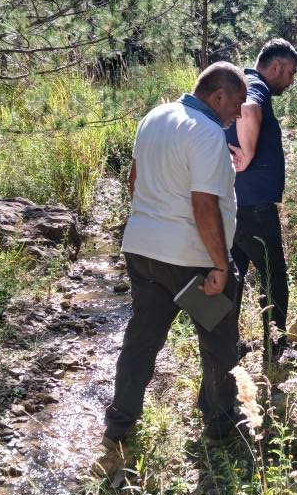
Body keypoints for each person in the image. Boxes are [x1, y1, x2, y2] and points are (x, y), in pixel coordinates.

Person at [100, 62, 248, 469]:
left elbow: (134, 180)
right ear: (218, 95)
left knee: (142, 340)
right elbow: (204, 205)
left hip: (143, 253)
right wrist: (220, 265)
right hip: (191, 264)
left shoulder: (155, 116)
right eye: (237, 103)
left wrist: (152, 221)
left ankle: (119, 426)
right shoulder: (207, 132)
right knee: (218, 341)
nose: (239, 113)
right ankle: (220, 427)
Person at [224, 38, 297, 365]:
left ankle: (226, 348)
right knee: (274, 278)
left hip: (235, 204)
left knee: (234, 278)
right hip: (254, 208)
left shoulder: (240, 83)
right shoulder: (256, 86)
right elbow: (249, 109)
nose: (290, 81)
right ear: (276, 66)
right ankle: (275, 352)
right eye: (290, 73)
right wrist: (249, 152)